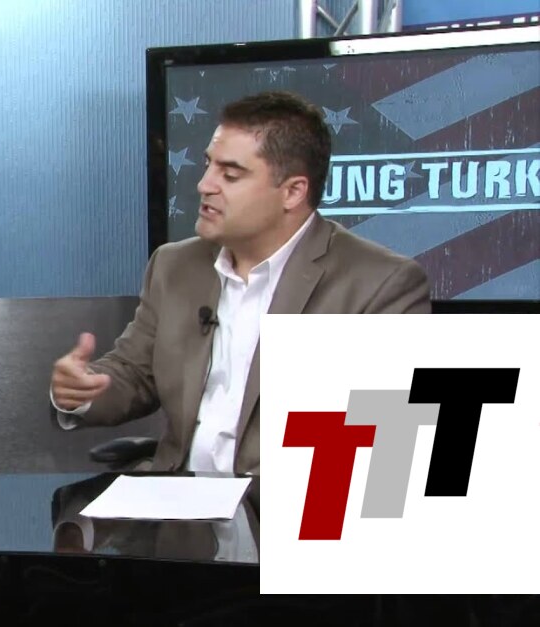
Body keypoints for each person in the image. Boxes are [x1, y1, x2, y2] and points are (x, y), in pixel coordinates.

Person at [49, 91, 430, 476]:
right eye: (208, 166)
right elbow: (134, 373)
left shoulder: (380, 284)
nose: (204, 185)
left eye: (230, 175)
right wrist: (82, 390)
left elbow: (387, 450)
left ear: (293, 192)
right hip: (177, 495)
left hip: (288, 502)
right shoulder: (174, 265)